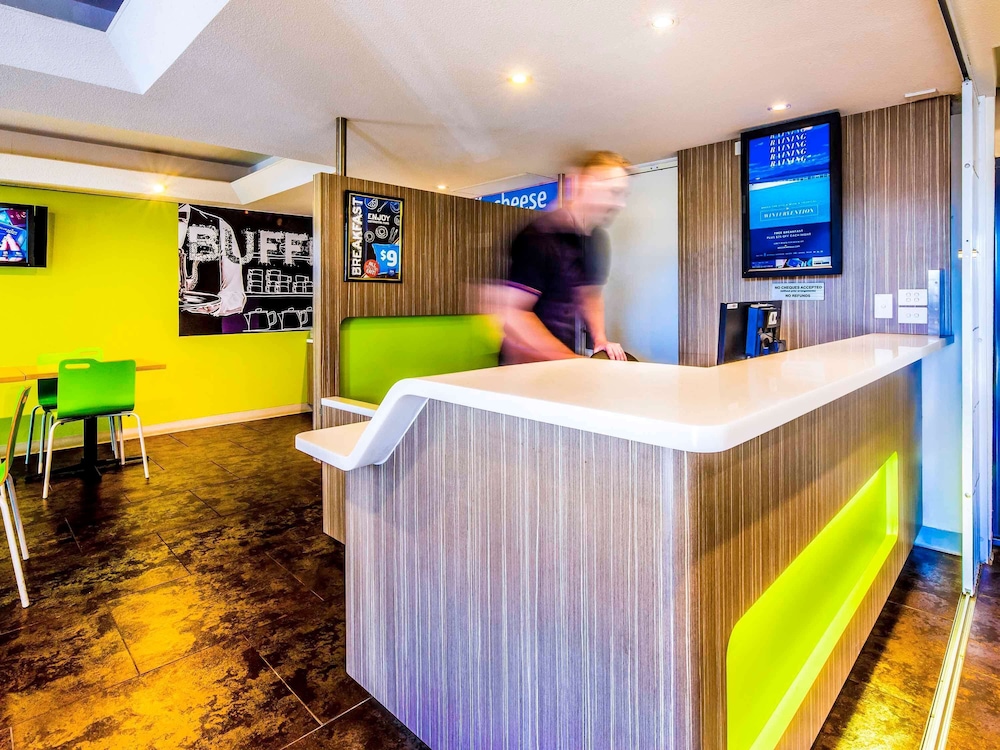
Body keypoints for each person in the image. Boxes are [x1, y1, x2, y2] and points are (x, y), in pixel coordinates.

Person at [499, 151, 630, 364]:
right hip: (522, 367)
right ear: (583, 184)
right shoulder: (539, 236)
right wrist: (571, 359)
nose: (620, 204)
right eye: (614, 192)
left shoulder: (597, 239)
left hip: (561, 360)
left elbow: (590, 294)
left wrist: (600, 340)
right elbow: (515, 314)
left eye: (623, 195)